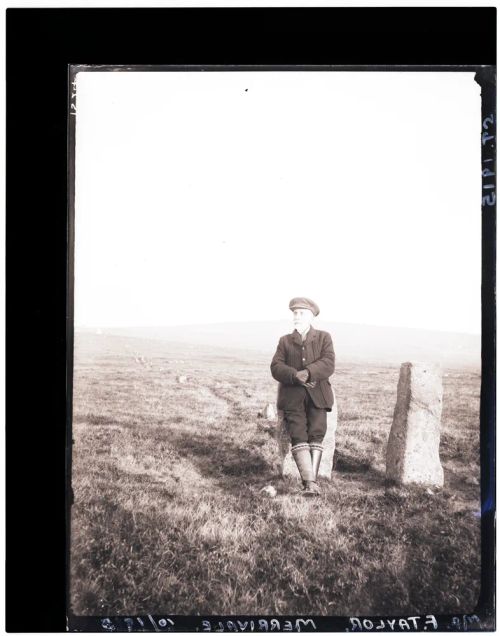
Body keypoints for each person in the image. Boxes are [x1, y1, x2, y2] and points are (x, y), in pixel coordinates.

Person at [270, 297, 335, 496]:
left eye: (301, 313)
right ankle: (309, 484)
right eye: (295, 313)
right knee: (298, 434)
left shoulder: (324, 337)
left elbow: (329, 362)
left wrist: (308, 372)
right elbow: (276, 367)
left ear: (311, 316)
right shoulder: (285, 341)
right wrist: (294, 375)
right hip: (292, 397)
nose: (297, 317)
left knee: (317, 432)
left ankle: (311, 483)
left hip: (318, 396)